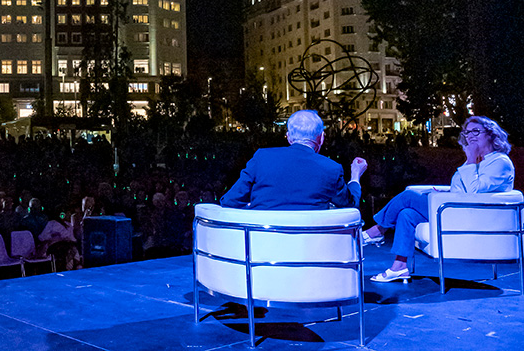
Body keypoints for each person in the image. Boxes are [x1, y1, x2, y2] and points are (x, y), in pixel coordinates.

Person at [363, 116, 515, 282]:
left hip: (468, 217)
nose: (470, 136)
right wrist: (439, 191)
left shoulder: (500, 162)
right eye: (467, 132)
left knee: (408, 197)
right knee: (406, 214)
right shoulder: (479, 161)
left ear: (491, 135)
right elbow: (463, 188)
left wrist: (470, 159)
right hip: (455, 210)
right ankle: (399, 267)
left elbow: (473, 193)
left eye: (476, 131)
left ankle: (378, 230)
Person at [220, 110, 368, 210]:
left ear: (289, 137)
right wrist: (355, 175)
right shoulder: (331, 168)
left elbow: (230, 201)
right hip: (311, 250)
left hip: (263, 248)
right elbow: (350, 205)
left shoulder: (261, 157)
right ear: (321, 137)